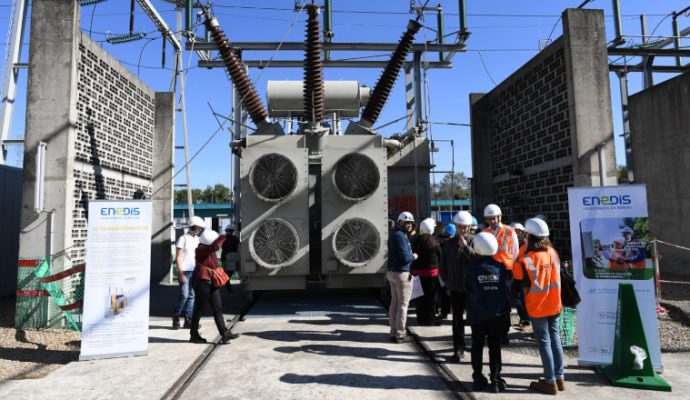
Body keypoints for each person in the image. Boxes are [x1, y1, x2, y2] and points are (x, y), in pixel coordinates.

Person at [514, 218, 565, 395]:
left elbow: (522, 282)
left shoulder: (528, 259)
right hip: (555, 303)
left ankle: (550, 382)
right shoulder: (553, 253)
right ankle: (559, 378)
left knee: (544, 343)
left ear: (530, 236)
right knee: (555, 339)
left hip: (538, 307)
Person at [465, 232, 511, 393]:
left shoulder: (471, 268)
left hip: (477, 314)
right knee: (494, 346)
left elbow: (467, 288)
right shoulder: (501, 268)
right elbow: (507, 290)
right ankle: (496, 379)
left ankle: (478, 378)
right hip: (497, 314)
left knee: (477, 345)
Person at [190, 229, 240, 344]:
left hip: (212, 281)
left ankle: (224, 333)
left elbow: (214, 248)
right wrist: (223, 236)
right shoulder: (201, 249)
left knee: (218, 308)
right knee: (199, 309)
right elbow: (216, 246)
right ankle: (194, 335)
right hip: (202, 282)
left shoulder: (208, 250)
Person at [440, 210, 475, 362]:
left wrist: (466, 247)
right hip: (455, 287)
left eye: (465, 227)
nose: (463, 230)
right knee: (457, 320)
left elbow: (477, 260)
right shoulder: (448, 243)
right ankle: (458, 349)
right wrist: (447, 282)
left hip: (471, 288)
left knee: (474, 319)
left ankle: (475, 346)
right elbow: (443, 265)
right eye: (460, 227)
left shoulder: (475, 240)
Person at [387, 211, 417, 343]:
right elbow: (405, 257)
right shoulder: (400, 236)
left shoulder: (394, 233)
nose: (409, 225)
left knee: (395, 303)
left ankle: (393, 332)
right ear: (400, 222)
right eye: (407, 223)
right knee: (403, 305)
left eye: (411, 223)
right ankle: (400, 334)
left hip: (392, 273)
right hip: (401, 274)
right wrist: (414, 256)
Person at [173, 216, 205, 330]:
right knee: (184, 295)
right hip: (185, 271)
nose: (200, 230)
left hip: (195, 271)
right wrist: (180, 273)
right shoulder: (183, 238)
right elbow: (178, 257)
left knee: (192, 296)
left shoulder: (197, 239)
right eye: (199, 228)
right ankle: (176, 316)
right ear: (192, 226)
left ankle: (188, 320)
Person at [412, 218, 443, 326]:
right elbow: (440, 256)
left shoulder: (415, 240)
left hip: (417, 272)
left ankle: (421, 319)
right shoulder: (435, 241)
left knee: (419, 297)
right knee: (431, 297)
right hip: (431, 273)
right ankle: (431, 319)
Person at [510, 222, 530, 331]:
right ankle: (523, 318)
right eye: (515, 231)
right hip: (513, 276)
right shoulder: (510, 244)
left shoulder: (526, 245)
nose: (517, 234)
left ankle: (526, 320)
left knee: (524, 300)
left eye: (519, 232)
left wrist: (519, 260)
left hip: (524, 277)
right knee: (516, 300)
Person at [435, 223, 456, 320]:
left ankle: (443, 311)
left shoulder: (438, 241)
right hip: (451, 270)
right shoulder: (453, 242)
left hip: (440, 270)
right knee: (449, 291)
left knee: (443, 291)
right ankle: (450, 309)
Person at [221, 223, 240, 291]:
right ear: (232, 231)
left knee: (226, 271)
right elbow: (238, 246)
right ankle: (227, 282)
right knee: (231, 271)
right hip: (232, 257)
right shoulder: (235, 238)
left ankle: (226, 282)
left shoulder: (223, 238)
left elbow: (221, 246)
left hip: (224, 256)